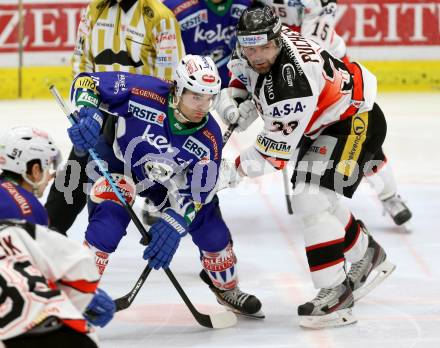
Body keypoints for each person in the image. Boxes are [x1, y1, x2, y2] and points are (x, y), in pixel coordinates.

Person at [216, 6, 396, 328]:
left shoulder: (291, 84)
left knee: (309, 198)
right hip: (327, 122)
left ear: (277, 40)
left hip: (355, 120)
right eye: (250, 47)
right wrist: (234, 98)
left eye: (263, 48)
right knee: (317, 201)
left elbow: (273, 154)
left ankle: (335, 295)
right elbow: (242, 72)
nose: (255, 54)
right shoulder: (258, 42)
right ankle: (367, 256)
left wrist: (232, 171)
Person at [65, 54, 264, 318]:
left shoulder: (209, 137)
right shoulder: (143, 91)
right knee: (107, 227)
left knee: (211, 227)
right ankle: (76, 295)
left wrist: (175, 222)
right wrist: (89, 115)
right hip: (119, 162)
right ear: (178, 89)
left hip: (164, 181)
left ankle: (226, 287)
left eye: (210, 98)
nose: (203, 107)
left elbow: (198, 192)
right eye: (196, 97)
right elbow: (87, 83)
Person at [257, 0, 412, 228]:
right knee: (299, 134)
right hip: (284, 69)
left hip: (324, 62)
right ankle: (319, 200)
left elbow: (314, 41)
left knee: (357, 136)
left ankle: (389, 196)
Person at [45, 0, 186, 235]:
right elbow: (81, 63)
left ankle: (207, 248)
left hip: (139, 117)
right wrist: (85, 105)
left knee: (158, 183)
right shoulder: (94, 10)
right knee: (76, 170)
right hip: (96, 110)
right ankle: (49, 232)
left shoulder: (160, 17)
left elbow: (168, 82)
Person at [0, 127, 115, 347]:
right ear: (33, 170)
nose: (51, 174)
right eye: (47, 166)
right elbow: (34, 270)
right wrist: (89, 296)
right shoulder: (29, 210)